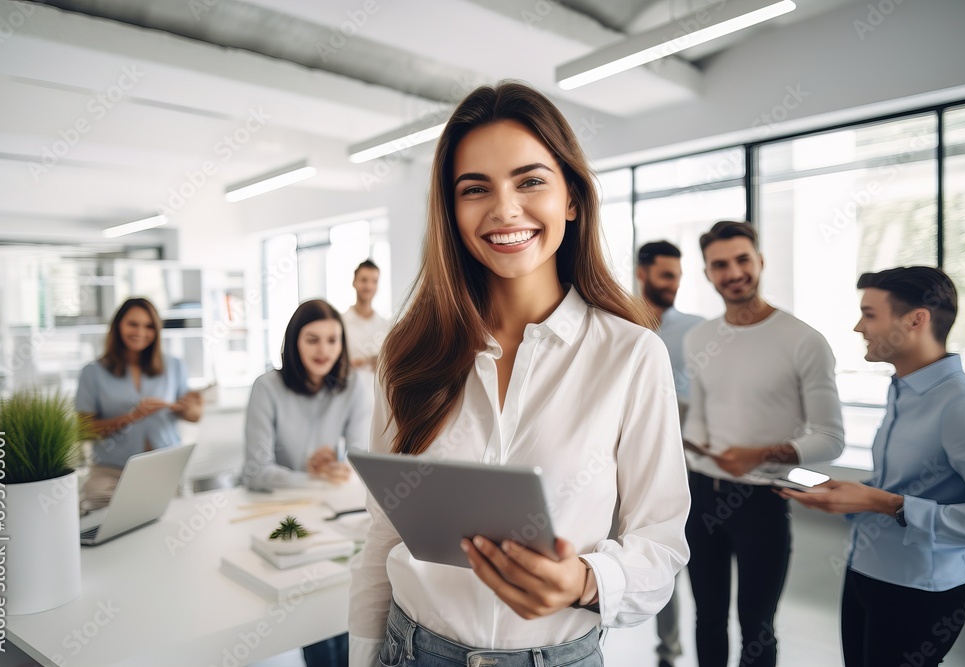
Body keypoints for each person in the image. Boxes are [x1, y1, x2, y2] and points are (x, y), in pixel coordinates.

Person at [348, 81, 690, 667]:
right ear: (451, 213)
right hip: (411, 651)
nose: (504, 209)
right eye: (474, 189)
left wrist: (585, 580)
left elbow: (661, 543)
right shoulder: (407, 353)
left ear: (572, 199)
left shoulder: (632, 356)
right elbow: (384, 533)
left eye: (530, 181)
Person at [781, 266, 965, 667]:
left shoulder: (962, 405)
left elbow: (898, 499)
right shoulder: (902, 387)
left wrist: (886, 503)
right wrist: (850, 496)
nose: (857, 327)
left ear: (916, 320)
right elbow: (905, 484)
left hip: (918, 592)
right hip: (864, 574)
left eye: (869, 314)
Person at [682, 221, 844, 667]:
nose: (733, 272)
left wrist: (757, 455)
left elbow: (830, 439)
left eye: (742, 260)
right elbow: (700, 418)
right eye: (720, 265)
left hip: (762, 501)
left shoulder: (803, 340)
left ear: (760, 262)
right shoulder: (700, 339)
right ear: (708, 273)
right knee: (707, 617)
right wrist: (685, 444)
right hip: (701, 497)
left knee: (756, 625)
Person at [243, 298, 369, 667]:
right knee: (311, 609)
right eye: (312, 339)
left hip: (334, 512)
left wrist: (337, 468)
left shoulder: (353, 387)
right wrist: (311, 475)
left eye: (332, 340)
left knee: (343, 602)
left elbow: (358, 459)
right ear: (294, 341)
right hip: (278, 513)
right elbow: (255, 471)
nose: (324, 350)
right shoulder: (267, 387)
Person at [637, 240, 704, 667]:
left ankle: (670, 650)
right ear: (642, 273)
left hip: (684, 463)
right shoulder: (615, 319)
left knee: (669, 557)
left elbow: (707, 399)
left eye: (678, 276)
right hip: (623, 461)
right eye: (665, 276)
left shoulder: (697, 331)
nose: (673, 284)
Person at [75, 297, 203, 510]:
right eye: (133, 324)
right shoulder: (93, 372)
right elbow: (84, 430)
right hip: (111, 474)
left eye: (149, 326)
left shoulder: (174, 366)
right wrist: (131, 417)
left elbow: (195, 416)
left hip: (166, 469)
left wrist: (189, 408)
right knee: (101, 524)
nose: (140, 332)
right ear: (118, 326)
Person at [342, 259, 390, 415]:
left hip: (378, 402)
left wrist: (374, 360)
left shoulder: (386, 326)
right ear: (354, 282)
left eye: (374, 281)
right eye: (363, 280)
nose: (368, 286)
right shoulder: (340, 323)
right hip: (347, 400)